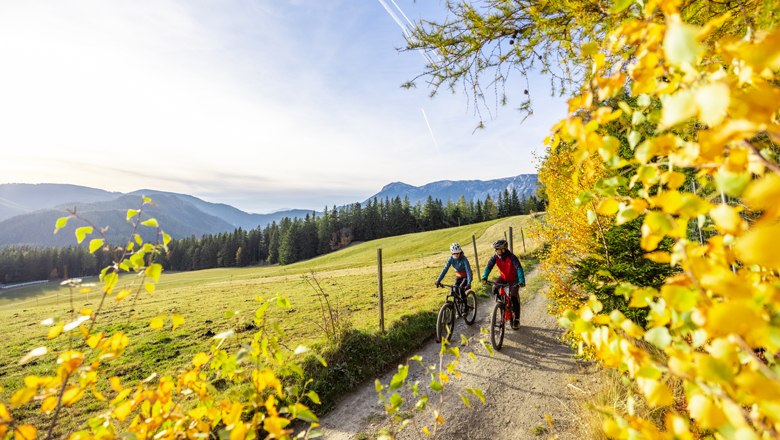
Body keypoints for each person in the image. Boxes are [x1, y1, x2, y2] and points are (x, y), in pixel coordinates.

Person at [481, 239, 525, 329]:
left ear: (503, 249)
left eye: (497, 249)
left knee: (513, 296)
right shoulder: (495, 257)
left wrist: (521, 281)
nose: (496, 251)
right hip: (504, 277)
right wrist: (484, 277)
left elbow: (519, 268)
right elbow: (489, 266)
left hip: (514, 279)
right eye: (495, 249)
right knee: (495, 287)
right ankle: (501, 305)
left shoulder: (512, 257)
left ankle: (516, 319)